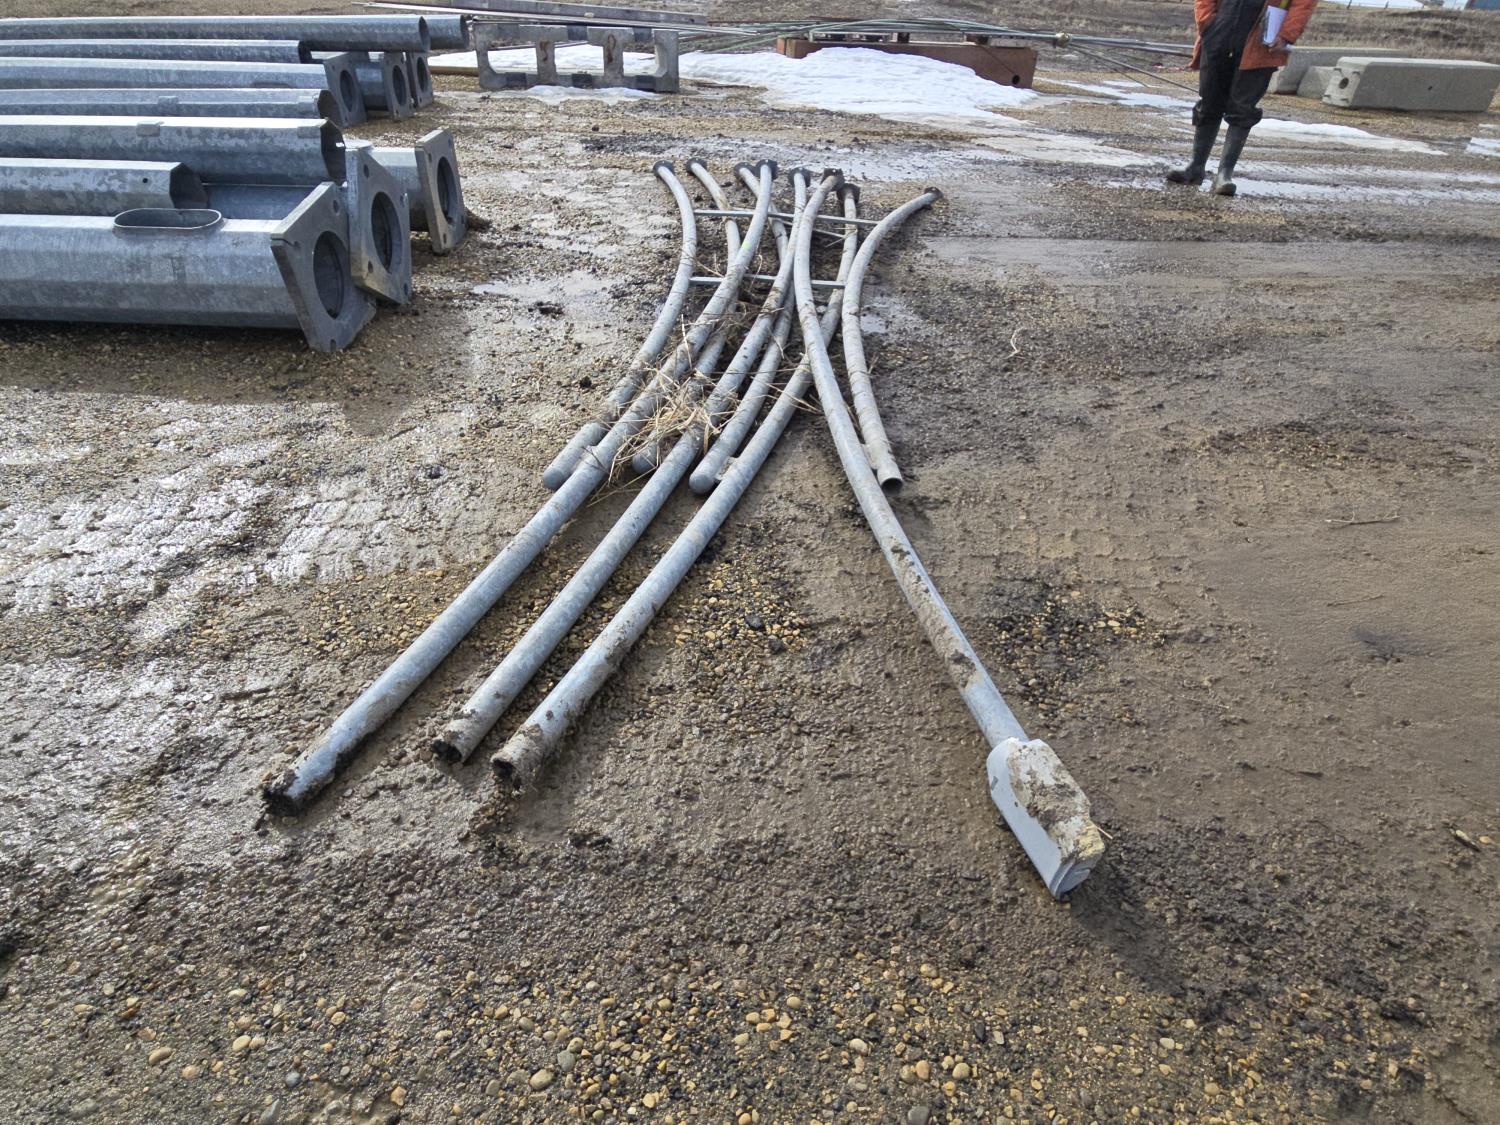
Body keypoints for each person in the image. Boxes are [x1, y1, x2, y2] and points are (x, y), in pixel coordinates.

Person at [1168, 0, 1318, 196]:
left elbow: (1303, 5)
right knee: (1209, 103)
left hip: (1261, 43)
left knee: (1242, 108)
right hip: (1218, 34)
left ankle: (1224, 174)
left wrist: (1285, 35)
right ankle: (1195, 168)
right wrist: (1207, 21)